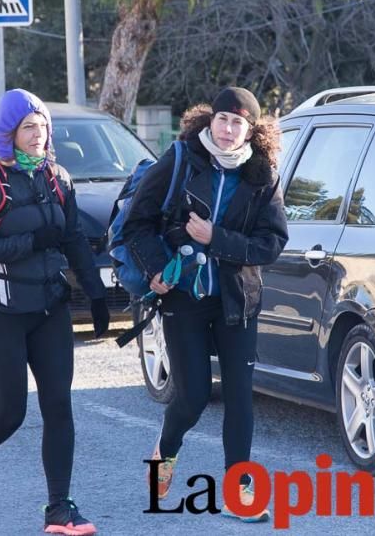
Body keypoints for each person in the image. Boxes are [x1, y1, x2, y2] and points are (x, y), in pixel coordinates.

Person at [0, 89, 111, 535]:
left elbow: (74, 238)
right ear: (10, 134)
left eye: (42, 126)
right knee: (10, 413)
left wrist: (95, 294)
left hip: (49, 307)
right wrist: (29, 243)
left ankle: (59, 508)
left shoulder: (58, 178)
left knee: (59, 404)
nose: (38, 136)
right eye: (28, 128)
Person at [122, 86, 288, 522]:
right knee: (193, 396)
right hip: (185, 298)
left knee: (239, 398)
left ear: (252, 130)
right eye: (223, 119)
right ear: (208, 120)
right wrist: (156, 269)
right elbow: (137, 224)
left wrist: (217, 238)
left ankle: (240, 491)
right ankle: (166, 451)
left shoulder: (261, 176)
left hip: (237, 300)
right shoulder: (180, 160)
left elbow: (271, 244)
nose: (229, 129)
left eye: (239, 123)